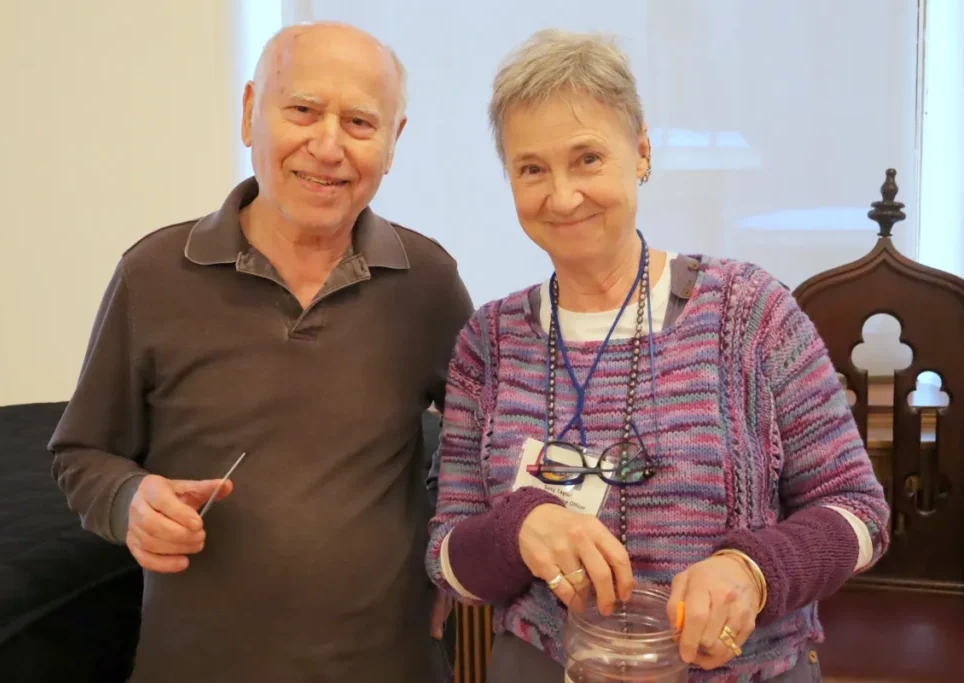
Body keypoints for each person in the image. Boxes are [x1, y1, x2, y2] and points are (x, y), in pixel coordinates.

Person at [426, 29, 890, 682]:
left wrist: (753, 570)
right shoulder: (490, 342)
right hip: (543, 664)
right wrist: (518, 530)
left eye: (587, 158)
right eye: (532, 168)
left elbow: (860, 513)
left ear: (640, 151)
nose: (561, 196)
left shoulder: (749, 313)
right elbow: (449, 556)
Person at [50, 22, 473, 683]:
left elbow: (485, 435)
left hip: (390, 663)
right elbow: (81, 453)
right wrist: (129, 499)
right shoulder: (154, 274)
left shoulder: (428, 282)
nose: (327, 146)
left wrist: (451, 536)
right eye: (302, 110)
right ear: (251, 113)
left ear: (394, 143)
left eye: (360, 122)